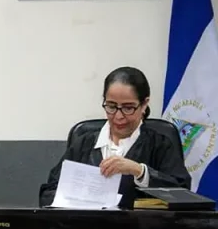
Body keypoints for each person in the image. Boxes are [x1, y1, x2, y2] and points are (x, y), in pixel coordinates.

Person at [39, 66, 191, 208]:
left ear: (144, 104)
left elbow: (183, 194)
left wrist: (139, 171)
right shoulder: (84, 143)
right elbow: (48, 193)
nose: (118, 116)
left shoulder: (160, 144)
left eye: (128, 108)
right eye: (111, 106)